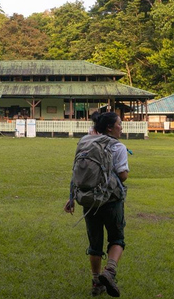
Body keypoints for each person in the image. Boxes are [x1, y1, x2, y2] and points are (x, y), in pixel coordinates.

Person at [64, 111, 129, 297]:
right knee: (117, 238)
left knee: (95, 243)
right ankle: (109, 272)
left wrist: (71, 197)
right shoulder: (118, 147)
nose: (121, 127)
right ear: (110, 127)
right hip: (111, 200)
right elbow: (123, 175)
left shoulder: (85, 142)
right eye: (119, 124)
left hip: (88, 200)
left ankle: (96, 283)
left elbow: (77, 171)